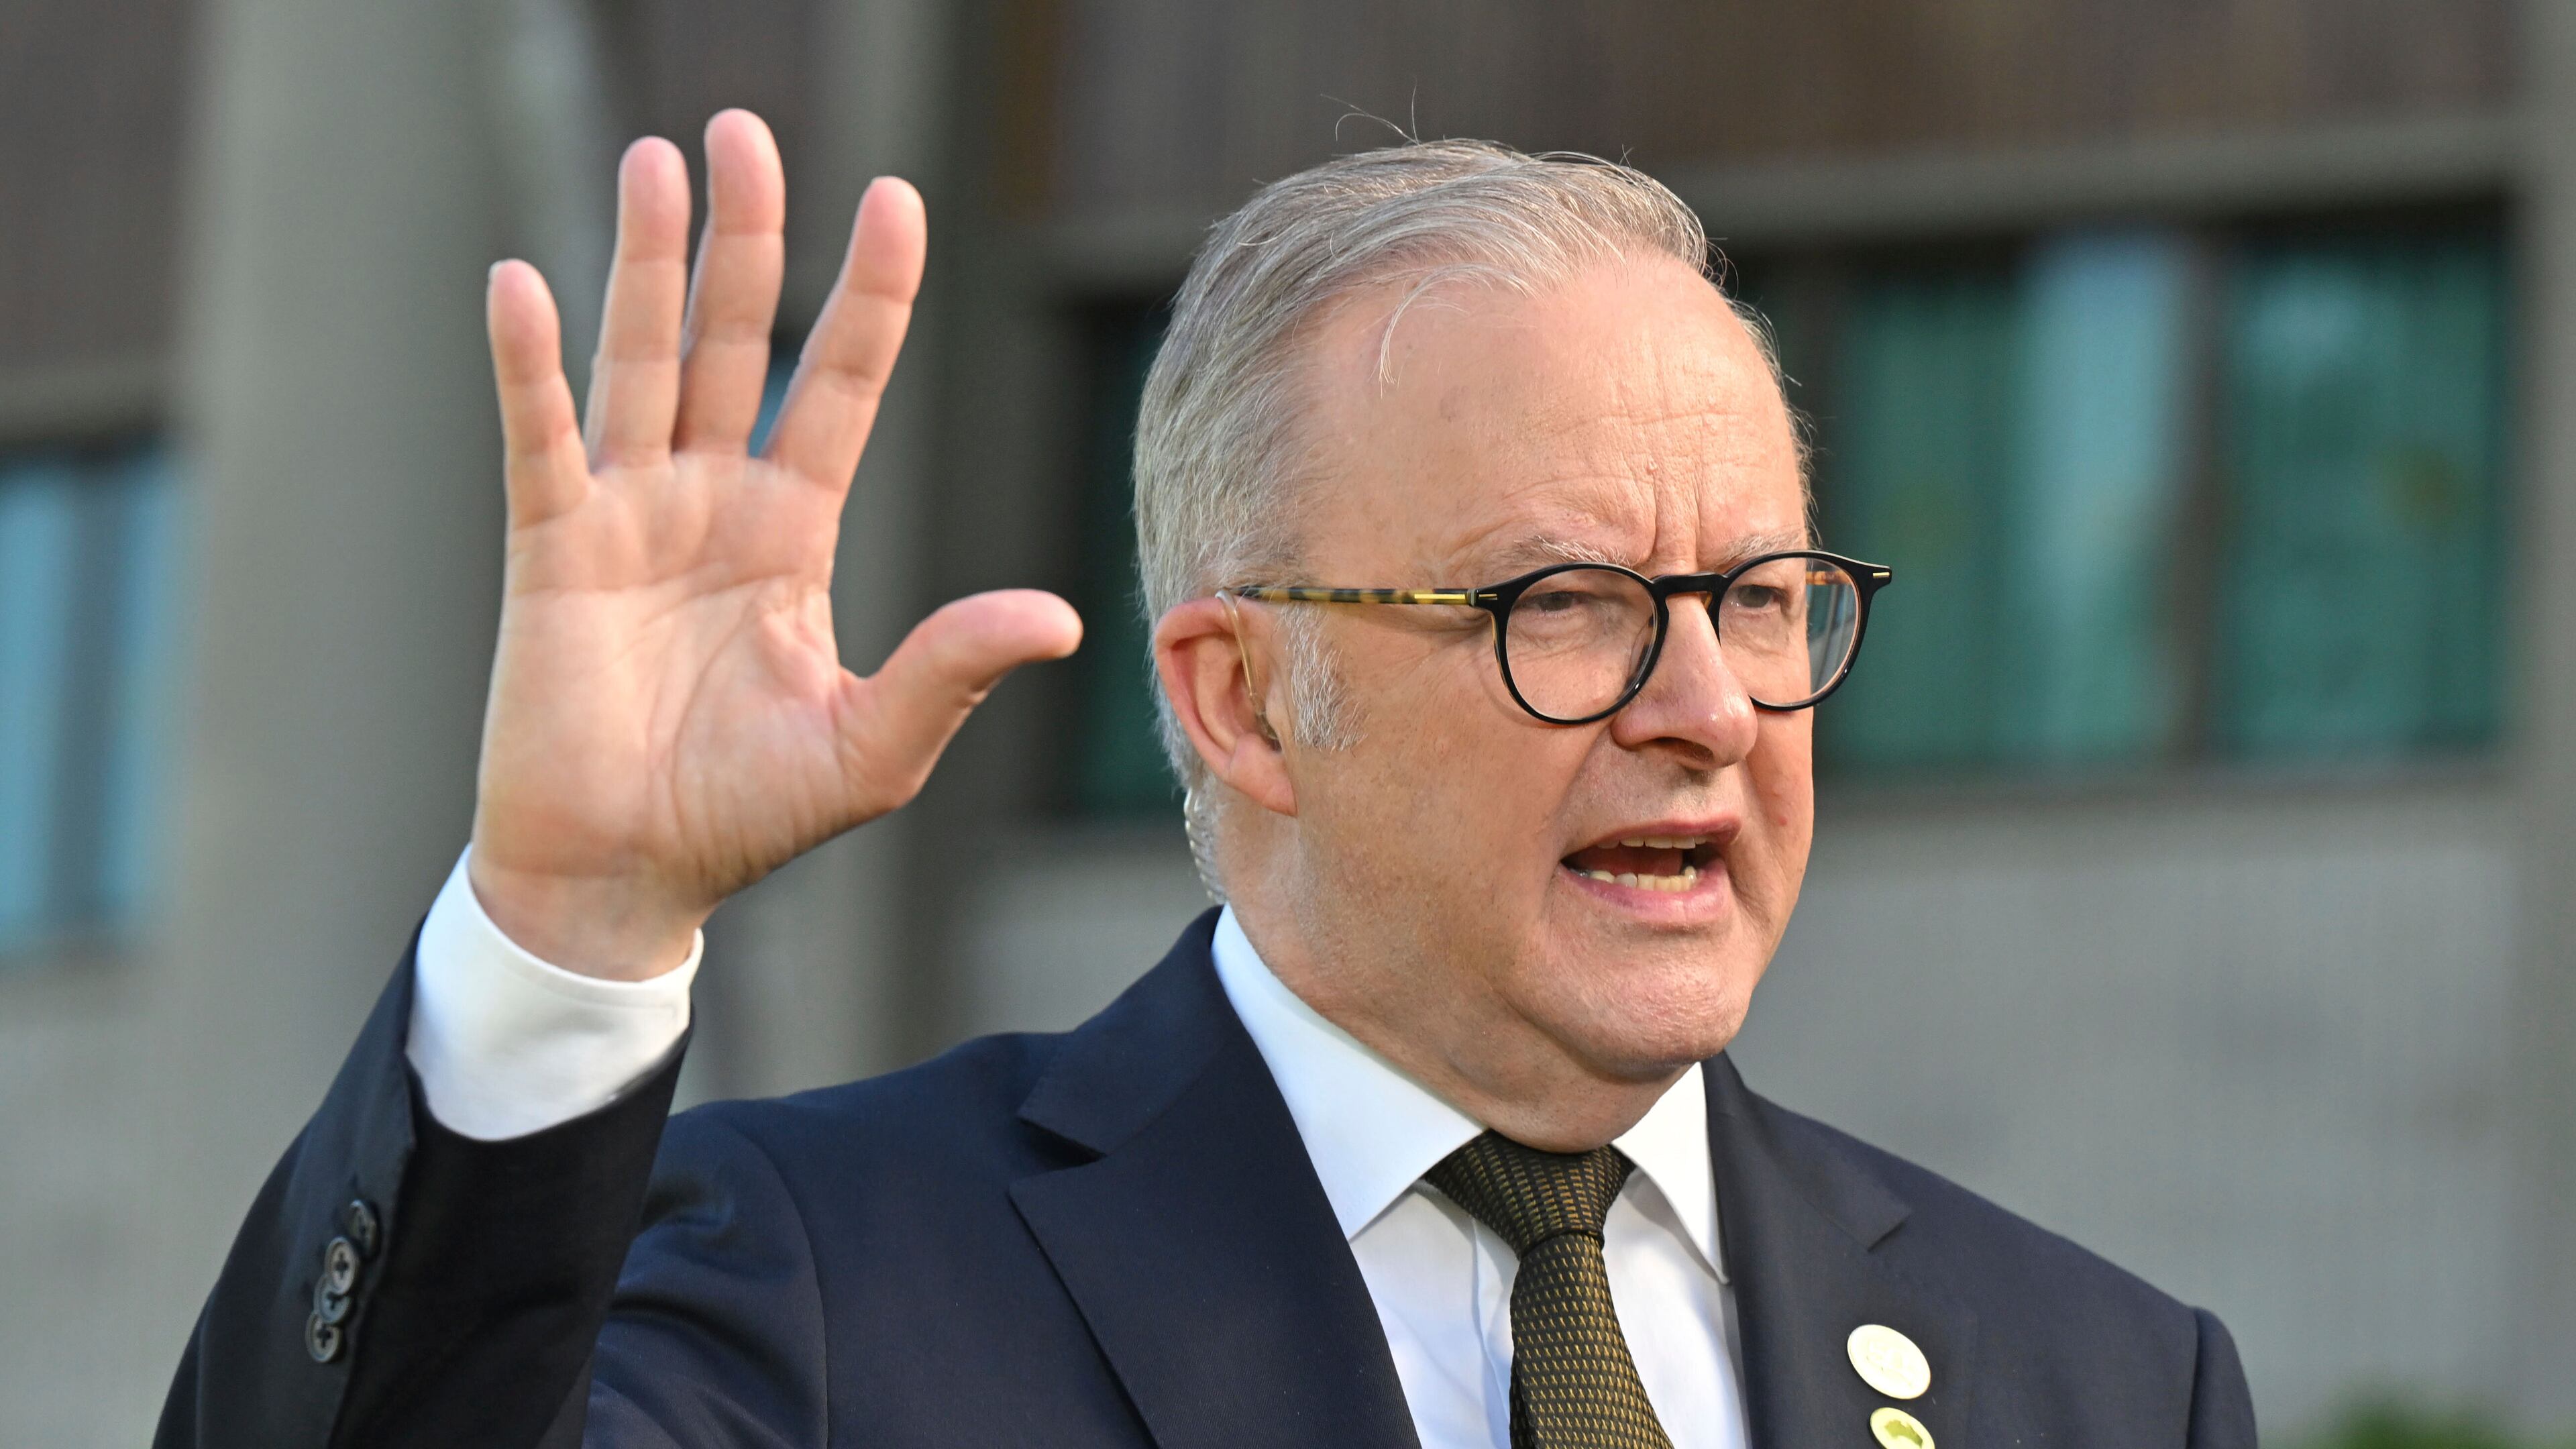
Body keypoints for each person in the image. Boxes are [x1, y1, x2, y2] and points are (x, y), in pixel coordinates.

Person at [156, 109, 2255, 1449]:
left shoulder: (2098, 1383)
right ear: (1247, 701)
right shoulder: (825, 1291)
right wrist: (572, 925)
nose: (1707, 702)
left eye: (1764, 598)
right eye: (1568, 604)